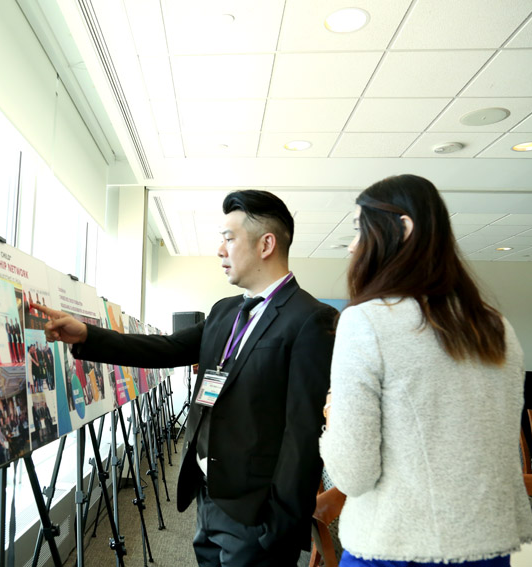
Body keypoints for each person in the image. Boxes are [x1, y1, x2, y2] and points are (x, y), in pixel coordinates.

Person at [35, 190, 336, 566]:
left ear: (266, 244)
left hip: (257, 516)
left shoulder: (310, 319)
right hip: (207, 496)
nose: (220, 250)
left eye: (229, 238)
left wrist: (279, 529)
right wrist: (87, 336)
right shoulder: (226, 311)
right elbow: (166, 348)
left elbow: (303, 435)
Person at [319, 175, 532, 567]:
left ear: (403, 227)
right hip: (487, 545)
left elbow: (353, 475)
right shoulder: (496, 326)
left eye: (359, 229)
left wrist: (332, 412)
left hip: (395, 547)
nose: (352, 245)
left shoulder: (366, 321)